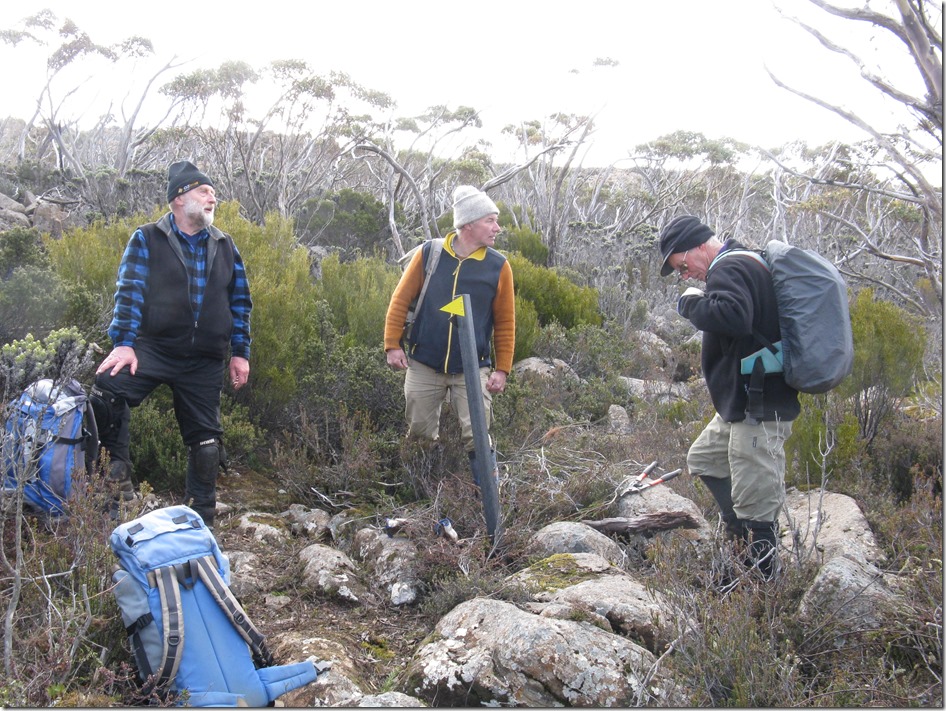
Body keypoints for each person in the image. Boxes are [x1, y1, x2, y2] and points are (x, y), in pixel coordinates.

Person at [92, 160, 253, 527]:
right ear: (179, 198)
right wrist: (124, 343)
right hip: (154, 348)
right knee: (108, 391)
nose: (213, 197)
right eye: (204, 191)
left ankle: (200, 521)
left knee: (207, 445)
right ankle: (117, 490)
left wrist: (240, 353)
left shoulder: (225, 245)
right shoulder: (147, 237)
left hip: (204, 359)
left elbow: (240, 303)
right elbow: (129, 291)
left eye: (214, 192)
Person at [658, 214, 798, 580]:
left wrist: (689, 304)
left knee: (756, 494)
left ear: (699, 246)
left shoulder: (728, 267)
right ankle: (738, 540)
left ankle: (762, 580)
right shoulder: (739, 262)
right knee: (704, 458)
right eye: (680, 272)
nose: (685, 275)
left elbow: (734, 316)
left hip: (760, 405)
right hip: (743, 401)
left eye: (683, 266)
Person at [383, 185, 515, 488]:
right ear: (468, 223)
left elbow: (505, 322)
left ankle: (488, 500)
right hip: (423, 363)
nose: (497, 228)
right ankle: (419, 494)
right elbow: (400, 300)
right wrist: (392, 345)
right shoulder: (430, 254)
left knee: (478, 436)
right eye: (490, 221)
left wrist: (502, 369)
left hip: (472, 368)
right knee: (419, 432)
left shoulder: (498, 266)